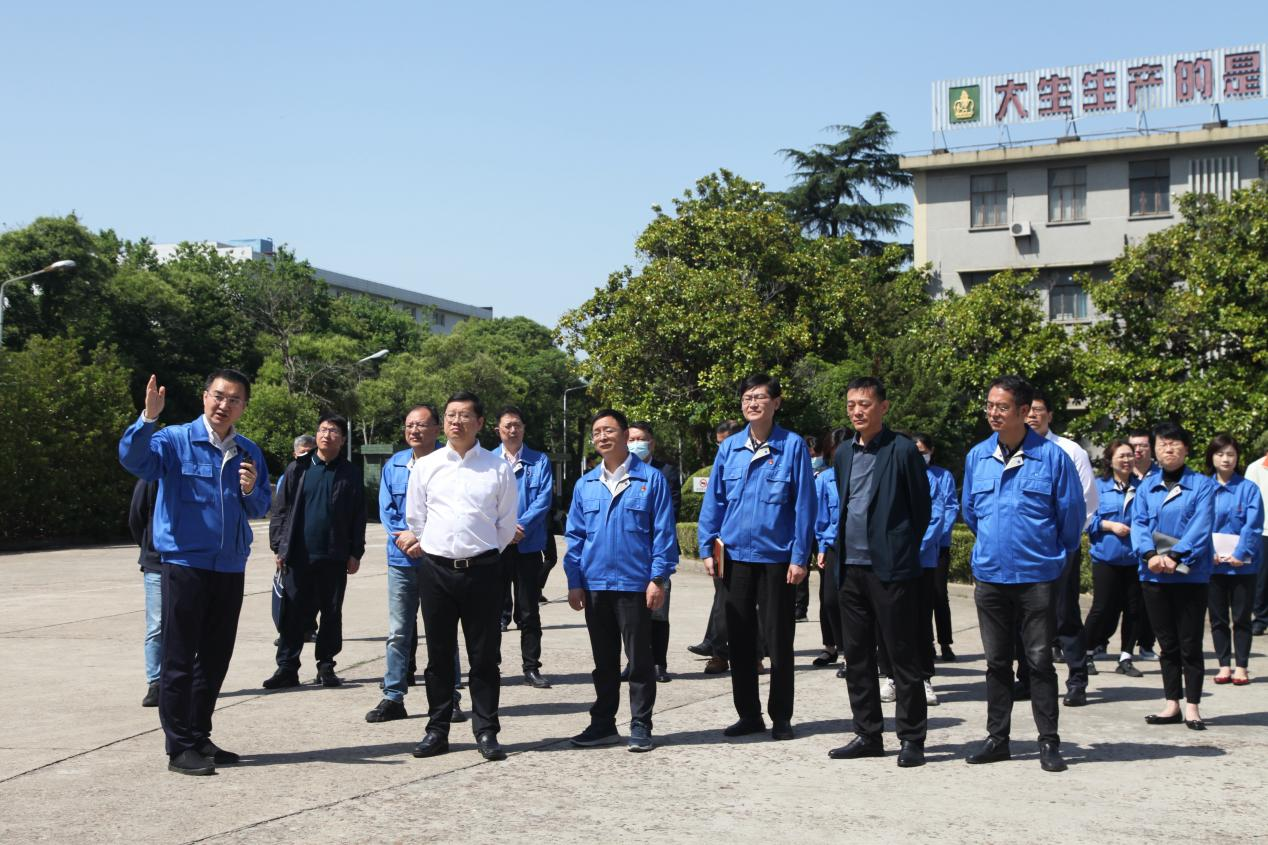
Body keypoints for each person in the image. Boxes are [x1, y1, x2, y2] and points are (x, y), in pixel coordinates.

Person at [118, 370, 271, 776]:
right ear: (205, 397)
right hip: (185, 564)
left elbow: (260, 507)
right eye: (219, 396)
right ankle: (179, 747)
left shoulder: (248, 451)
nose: (225, 405)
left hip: (230, 565)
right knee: (180, 658)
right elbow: (135, 460)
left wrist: (251, 488)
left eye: (234, 399)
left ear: (244, 406)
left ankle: (200, 734)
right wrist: (148, 419)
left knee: (216, 658)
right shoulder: (173, 440)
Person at [961, 375, 1083, 773]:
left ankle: (1049, 742)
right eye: (989, 405)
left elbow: (1071, 518)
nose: (993, 413)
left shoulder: (1053, 458)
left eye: (1002, 407)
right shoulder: (977, 456)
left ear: (1024, 411)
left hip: (1037, 578)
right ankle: (997, 739)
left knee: (1039, 662)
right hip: (991, 576)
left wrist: (1049, 556)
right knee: (996, 662)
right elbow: (971, 513)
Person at [698, 374, 814, 741]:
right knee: (740, 639)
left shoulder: (792, 446)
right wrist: (706, 546)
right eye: (747, 397)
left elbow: (804, 505)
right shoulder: (730, 448)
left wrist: (800, 557)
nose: (752, 403)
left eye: (760, 397)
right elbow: (714, 500)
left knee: (779, 641)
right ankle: (748, 714)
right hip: (736, 557)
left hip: (777, 558)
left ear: (776, 403)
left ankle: (781, 716)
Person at [405, 391, 518, 762]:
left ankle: (486, 730)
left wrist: (480, 552)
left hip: (482, 571)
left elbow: (506, 524)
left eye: (464, 415)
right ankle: (437, 730)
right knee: (438, 656)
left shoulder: (497, 468)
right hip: (436, 571)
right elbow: (416, 518)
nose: (456, 421)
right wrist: (438, 547)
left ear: (480, 423)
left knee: (484, 657)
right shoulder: (427, 466)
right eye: (451, 415)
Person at [826, 378, 932, 767]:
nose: (857, 411)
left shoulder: (902, 450)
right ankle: (868, 733)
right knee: (856, 656)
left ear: (883, 407)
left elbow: (921, 510)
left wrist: (897, 547)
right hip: (849, 568)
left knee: (901, 655)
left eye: (865, 404)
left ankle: (912, 738)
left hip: (890, 570)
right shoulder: (843, 453)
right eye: (851, 404)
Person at [565, 410, 678, 752]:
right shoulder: (585, 484)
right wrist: (574, 581)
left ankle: (641, 723)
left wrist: (658, 578)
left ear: (626, 435)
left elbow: (663, 533)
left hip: (635, 584)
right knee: (604, 662)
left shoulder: (651, 480)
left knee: (640, 661)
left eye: (609, 430)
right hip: (595, 585)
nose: (602, 437)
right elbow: (575, 537)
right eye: (597, 431)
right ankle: (603, 723)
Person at [365, 405, 466, 724]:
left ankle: (450, 697)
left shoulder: (451, 463)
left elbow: (453, 509)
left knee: (443, 632)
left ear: (437, 429)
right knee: (398, 631)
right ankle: (393, 696)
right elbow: (387, 511)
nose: (414, 431)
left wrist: (424, 539)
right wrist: (408, 540)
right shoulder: (394, 465)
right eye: (409, 425)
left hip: (439, 560)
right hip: (401, 560)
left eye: (421, 425)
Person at [264, 414, 365, 689]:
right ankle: (287, 667)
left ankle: (326, 666)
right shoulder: (298, 468)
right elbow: (281, 510)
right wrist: (279, 546)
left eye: (333, 431)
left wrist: (356, 552)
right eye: (322, 429)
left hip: (334, 555)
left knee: (331, 613)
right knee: (292, 612)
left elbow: (358, 515)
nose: (326, 435)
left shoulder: (350, 473)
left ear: (343, 439)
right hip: (298, 555)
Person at [1131, 422, 1216, 730]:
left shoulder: (1202, 485)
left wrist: (1176, 555)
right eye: (1162, 444)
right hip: (1154, 575)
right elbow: (1139, 523)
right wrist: (1150, 556)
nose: (1168, 448)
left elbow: (1201, 525)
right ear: (1154, 450)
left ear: (1186, 449)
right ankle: (1172, 704)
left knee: (1190, 642)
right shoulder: (1146, 486)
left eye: (1175, 443)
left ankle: (1192, 706)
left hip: (1189, 574)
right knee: (1167, 643)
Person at [492, 406, 554, 689]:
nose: (512, 430)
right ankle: (490, 667)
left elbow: (543, 499)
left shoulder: (539, 461)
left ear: (524, 428)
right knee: (492, 611)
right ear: (498, 430)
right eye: (507, 425)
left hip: (527, 546)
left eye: (517, 424)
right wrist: (504, 529)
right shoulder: (487, 461)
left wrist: (521, 527)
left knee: (529, 612)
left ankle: (531, 667)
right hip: (495, 547)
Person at [1081, 440, 1146, 679]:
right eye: (1122, 456)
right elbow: (1086, 519)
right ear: (1110, 460)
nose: (1127, 460)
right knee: (1101, 608)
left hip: (1134, 558)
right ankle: (1085, 654)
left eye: (1130, 455)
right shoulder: (1098, 487)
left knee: (1133, 610)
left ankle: (1126, 658)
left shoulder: (1143, 487)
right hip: (1106, 557)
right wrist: (1110, 526)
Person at [1204, 434, 1263, 685]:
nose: (1226, 459)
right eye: (1220, 454)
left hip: (1242, 566)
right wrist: (1208, 553)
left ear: (1238, 458)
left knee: (1241, 618)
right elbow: (1198, 523)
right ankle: (1223, 665)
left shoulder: (1249, 489)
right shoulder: (1204, 488)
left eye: (1230, 454)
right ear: (1212, 457)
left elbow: (1254, 524)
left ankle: (1241, 666)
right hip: (1213, 565)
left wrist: (1241, 553)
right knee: (1217, 619)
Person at [689, 420, 747, 672]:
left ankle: (754, 654)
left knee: (755, 605)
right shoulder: (721, 465)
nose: (721, 448)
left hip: (757, 548)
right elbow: (712, 507)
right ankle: (719, 653)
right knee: (723, 601)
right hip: (725, 546)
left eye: (724, 442)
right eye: (718, 444)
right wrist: (706, 547)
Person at [626, 421, 681, 682]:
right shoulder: (622, 471)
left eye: (641, 439)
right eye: (631, 439)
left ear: (652, 443)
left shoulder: (666, 472)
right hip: (629, 554)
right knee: (630, 614)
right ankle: (634, 662)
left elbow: (671, 512)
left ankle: (659, 663)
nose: (636, 444)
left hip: (657, 552)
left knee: (658, 612)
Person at [914, 434, 959, 662]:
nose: (920, 456)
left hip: (938, 545)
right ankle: (926, 642)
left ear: (931, 451)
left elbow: (949, 508)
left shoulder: (943, 476)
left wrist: (936, 535)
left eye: (923, 452)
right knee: (919, 599)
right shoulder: (909, 474)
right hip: (914, 549)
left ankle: (945, 643)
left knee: (939, 595)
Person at [811, 428, 845, 673]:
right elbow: (820, 517)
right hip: (832, 546)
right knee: (830, 600)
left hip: (860, 548)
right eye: (833, 452)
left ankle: (850, 654)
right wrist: (821, 547)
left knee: (854, 602)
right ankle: (831, 645)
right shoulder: (825, 479)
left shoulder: (864, 474)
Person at [1123, 429, 1159, 659]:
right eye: (1133, 446)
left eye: (1143, 445)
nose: (1137, 450)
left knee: (1150, 600)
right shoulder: (1123, 473)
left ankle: (1146, 644)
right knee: (1127, 602)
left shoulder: (1160, 476)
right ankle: (1106, 644)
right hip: (1124, 549)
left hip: (1154, 547)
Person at [128, 478, 162, 707]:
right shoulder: (150, 478)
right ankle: (156, 682)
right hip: (156, 563)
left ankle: (185, 677)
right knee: (156, 624)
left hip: (189, 563)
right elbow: (136, 518)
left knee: (188, 623)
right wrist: (149, 546)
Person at [1245, 436, 1268, 636]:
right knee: (1262, 578)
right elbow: (1249, 501)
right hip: (1265, 530)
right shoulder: (1256, 468)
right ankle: (1260, 618)